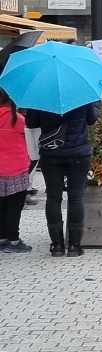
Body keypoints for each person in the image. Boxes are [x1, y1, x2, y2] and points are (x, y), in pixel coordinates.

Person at [25, 97, 101, 257]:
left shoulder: (41, 95)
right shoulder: (82, 93)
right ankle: (74, 245)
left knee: (53, 198)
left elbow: (31, 123)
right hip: (78, 152)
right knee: (76, 197)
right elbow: (92, 120)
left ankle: (57, 245)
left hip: (51, 153)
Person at [0, 87, 32, 253]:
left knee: (2, 204)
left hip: (1, 170)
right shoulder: (18, 119)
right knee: (15, 205)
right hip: (17, 169)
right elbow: (30, 139)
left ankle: (2, 237)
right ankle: (13, 240)